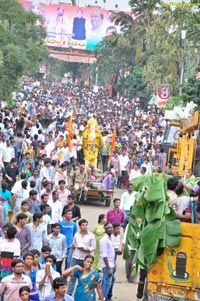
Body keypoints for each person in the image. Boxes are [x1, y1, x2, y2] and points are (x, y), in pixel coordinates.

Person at [67, 219, 96, 296]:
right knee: (72, 277)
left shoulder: (91, 236)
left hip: (85, 259)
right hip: (76, 257)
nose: (85, 227)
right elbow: (73, 244)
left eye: (86, 225)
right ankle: (69, 294)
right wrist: (73, 246)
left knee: (85, 277)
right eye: (83, 225)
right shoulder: (76, 234)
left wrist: (87, 249)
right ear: (80, 226)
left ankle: (84, 293)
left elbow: (94, 247)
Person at [99, 222, 115, 301]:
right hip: (106, 264)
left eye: (111, 227)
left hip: (111, 263)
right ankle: (102, 298)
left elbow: (111, 252)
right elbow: (104, 255)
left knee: (111, 280)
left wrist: (114, 264)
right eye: (108, 228)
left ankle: (107, 297)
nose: (110, 229)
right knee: (107, 283)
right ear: (105, 229)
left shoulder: (111, 237)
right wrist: (108, 268)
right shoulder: (103, 240)